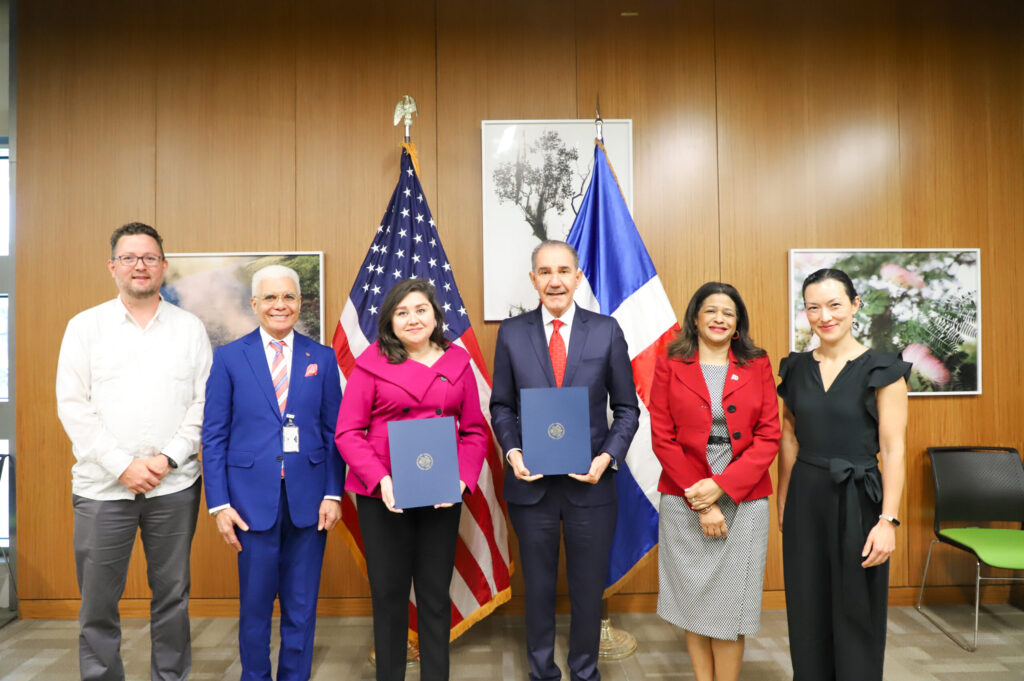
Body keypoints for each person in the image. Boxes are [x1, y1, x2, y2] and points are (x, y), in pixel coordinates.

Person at [56, 222, 212, 681]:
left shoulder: (190, 329)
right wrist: (123, 465)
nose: (139, 266)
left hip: (174, 485)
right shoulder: (84, 327)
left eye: (149, 258)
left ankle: (171, 676)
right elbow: (72, 406)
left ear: (163, 266)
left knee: (172, 597)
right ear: (112, 267)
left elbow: (205, 403)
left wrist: (166, 459)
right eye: (129, 258)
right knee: (98, 601)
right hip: (102, 489)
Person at [490, 240, 640, 681]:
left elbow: (627, 409)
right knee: (537, 587)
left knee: (587, 590)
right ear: (533, 279)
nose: (554, 280)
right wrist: (513, 451)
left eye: (563, 271)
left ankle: (584, 672)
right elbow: (501, 406)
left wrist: (607, 458)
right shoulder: (512, 332)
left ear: (578, 277)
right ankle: (541, 672)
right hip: (529, 484)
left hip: (590, 485)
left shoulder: (606, 330)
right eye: (544, 272)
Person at [335, 277, 487, 681]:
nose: (412, 318)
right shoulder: (371, 364)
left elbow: (474, 431)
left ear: (436, 316)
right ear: (390, 321)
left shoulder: (457, 363)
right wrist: (380, 479)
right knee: (389, 597)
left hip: (441, 493)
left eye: (421, 309)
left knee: (436, 596)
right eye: (402, 312)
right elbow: (347, 433)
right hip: (384, 495)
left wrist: (460, 481)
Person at [201, 265, 343, 681]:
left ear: (300, 304)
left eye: (288, 298)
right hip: (249, 504)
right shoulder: (229, 358)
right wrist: (220, 505)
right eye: (270, 298)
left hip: (310, 501)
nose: (280, 305)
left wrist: (333, 493)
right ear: (254, 304)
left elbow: (335, 432)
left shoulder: (323, 357)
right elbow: (214, 437)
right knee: (256, 606)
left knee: (301, 606)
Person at [776, 268, 909, 681]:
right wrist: (783, 505)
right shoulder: (795, 368)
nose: (824, 316)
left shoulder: (884, 369)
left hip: (861, 498)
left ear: (855, 306)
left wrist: (888, 520)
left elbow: (893, 448)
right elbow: (789, 442)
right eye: (813, 307)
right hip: (806, 497)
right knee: (807, 609)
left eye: (834, 305)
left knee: (857, 610)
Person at [648, 282, 780, 681]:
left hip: (744, 491)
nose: (719, 318)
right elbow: (662, 435)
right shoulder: (671, 361)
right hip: (684, 487)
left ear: (738, 323)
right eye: (711, 310)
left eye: (728, 312)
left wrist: (723, 487)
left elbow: (769, 435)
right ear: (695, 317)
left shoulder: (757, 363)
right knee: (693, 599)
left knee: (729, 605)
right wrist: (703, 501)